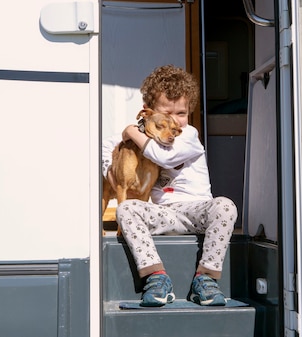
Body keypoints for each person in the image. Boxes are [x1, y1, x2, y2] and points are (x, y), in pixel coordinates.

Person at [102, 64, 238, 307]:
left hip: (198, 211)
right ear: (149, 113)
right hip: (164, 213)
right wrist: (110, 172)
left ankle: (205, 279)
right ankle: (156, 276)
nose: (175, 123)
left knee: (226, 206)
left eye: (182, 113)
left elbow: (163, 156)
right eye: (168, 114)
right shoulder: (147, 131)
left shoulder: (189, 135)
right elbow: (108, 146)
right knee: (126, 209)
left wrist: (131, 132)